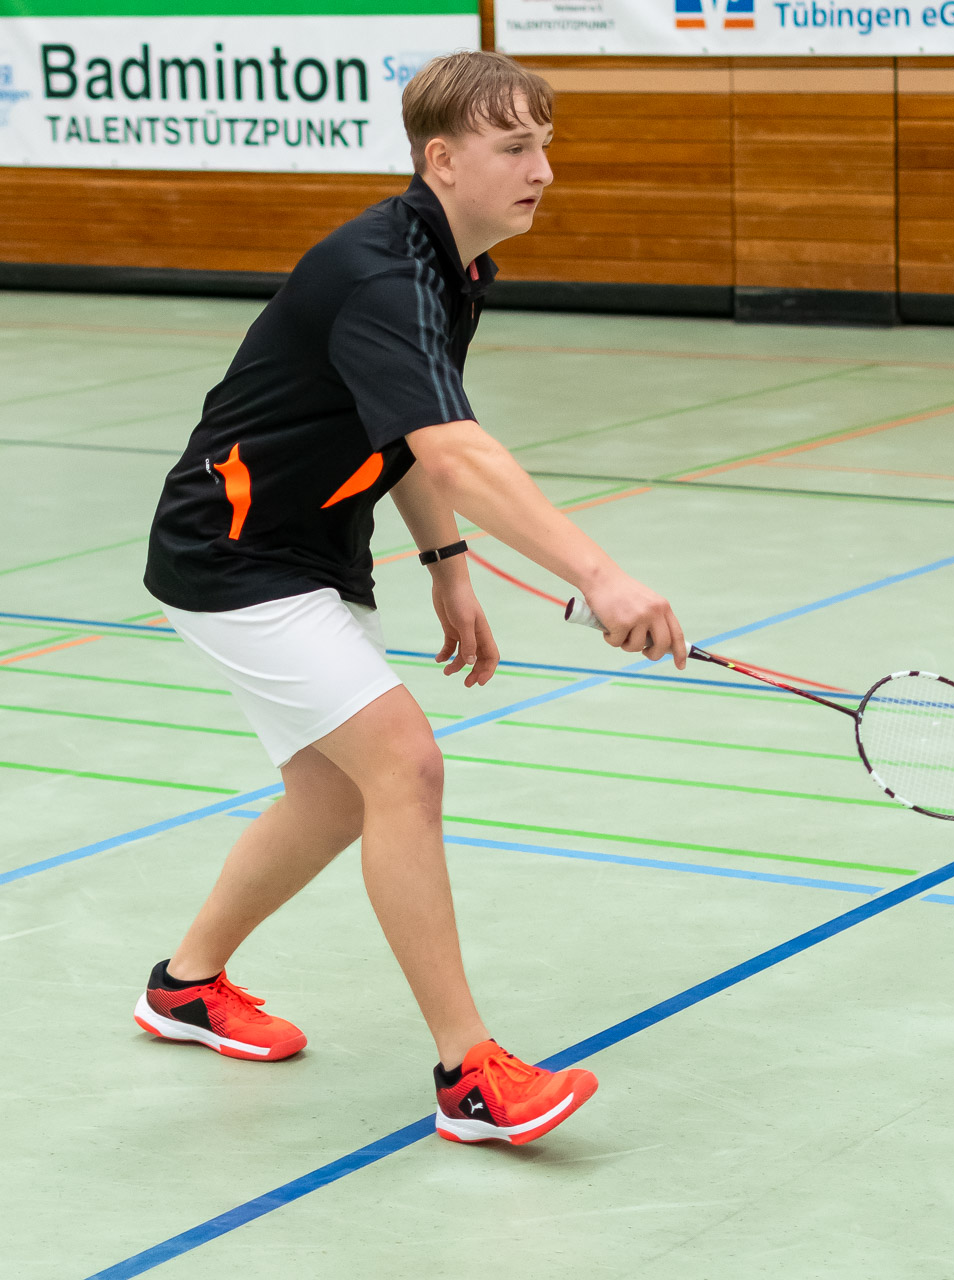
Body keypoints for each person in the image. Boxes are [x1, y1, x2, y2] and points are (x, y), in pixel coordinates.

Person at [136, 50, 687, 1147]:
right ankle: (468, 1074)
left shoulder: (451, 264)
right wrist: (598, 574)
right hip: (234, 551)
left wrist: (447, 563)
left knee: (335, 798)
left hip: (311, 548)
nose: (542, 169)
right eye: (514, 147)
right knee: (405, 766)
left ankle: (183, 986)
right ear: (442, 159)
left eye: (544, 145)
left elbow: (403, 429)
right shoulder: (383, 273)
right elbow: (453, 444)